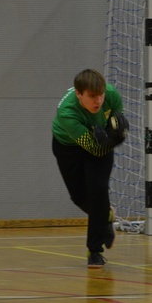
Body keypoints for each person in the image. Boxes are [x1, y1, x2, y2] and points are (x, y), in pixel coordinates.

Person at [52, 69, 129, 268]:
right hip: (68, 147)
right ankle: (106, 216)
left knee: (98, 189)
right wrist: (112, 140)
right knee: (79, 197)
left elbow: (115, 122)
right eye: (92, 96)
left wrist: (117, 135)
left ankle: (94, 251)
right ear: (79, 94)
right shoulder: (67, 113)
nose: (98, 101)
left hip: (100, 141)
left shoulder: (111, 95)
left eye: (100, 95)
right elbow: (94, 149)